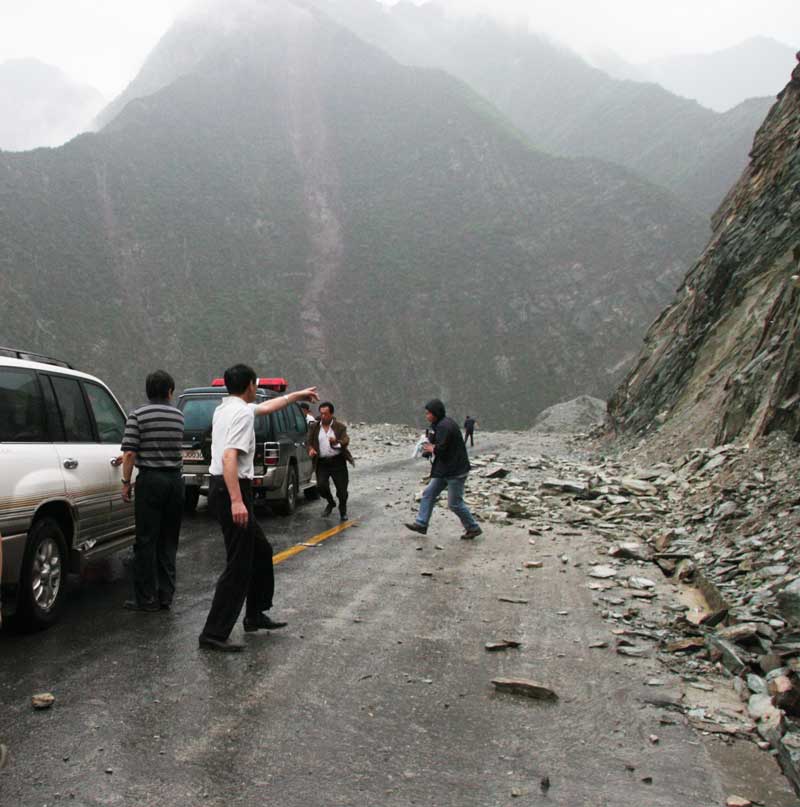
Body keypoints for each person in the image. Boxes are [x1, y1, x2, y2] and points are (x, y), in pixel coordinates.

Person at [199, 365, 318, 652]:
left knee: (260, 552)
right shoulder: (239, 413)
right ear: (251, 385)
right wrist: (237, 500)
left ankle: (254, 614)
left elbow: (266, 408)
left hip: (224, 487)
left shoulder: (226, 409)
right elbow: (229, 457)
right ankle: (213, 634)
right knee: (238, 565)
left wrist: (296, 395)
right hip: (232, 489)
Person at [120, 370, 185, 612]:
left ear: (148, 391)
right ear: (169, 391)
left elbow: (129, 453)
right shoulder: (178, 416)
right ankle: (166, 596)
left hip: (151, 481)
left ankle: (145, 598)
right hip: (175, 482)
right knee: (169, 540)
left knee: (146, 540)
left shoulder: (137, 415)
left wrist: (126, 482)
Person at [405, 399, 482, 540]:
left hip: (455, 471)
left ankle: (473, 527)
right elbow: (438, 443)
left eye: (428, 413)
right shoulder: (440, 425)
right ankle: (421, 523)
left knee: (454, 503)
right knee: (428, 493)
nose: (426, 416)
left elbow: (443, 450)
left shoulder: (445, 427)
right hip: (445, 470)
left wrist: (431, 448)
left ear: (435, 413)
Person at [308, 402, 353, 521]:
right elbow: (309, 442)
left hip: (338, 462)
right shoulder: (315, 427)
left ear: (331, 414)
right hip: (322, 462)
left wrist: (336, 442)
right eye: (321, 413)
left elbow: (345, 440)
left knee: (342, 490)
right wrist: (311, 449)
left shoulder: (340, 427)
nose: (323, 416)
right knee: (321, 486)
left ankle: (343, 511)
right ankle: (331, 502)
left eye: (325, 414)